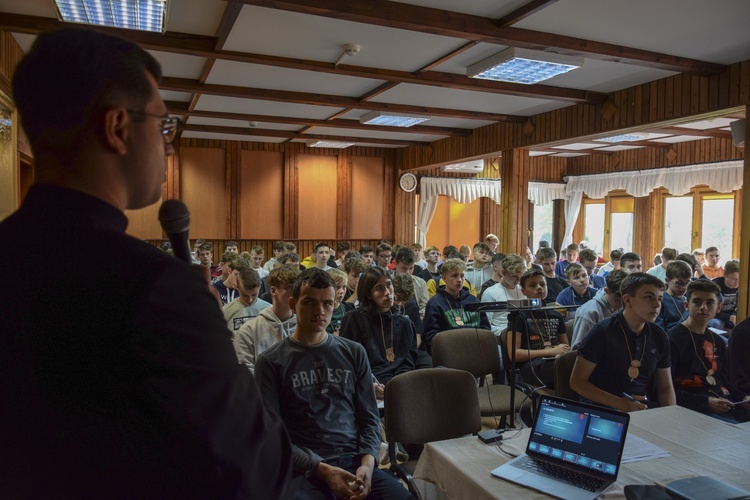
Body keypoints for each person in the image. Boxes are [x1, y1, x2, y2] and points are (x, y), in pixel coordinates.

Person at [0, 28, 290, 497]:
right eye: (162, 125)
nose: (169, 145)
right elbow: (255, 469)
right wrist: (206, 321)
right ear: (117, 128)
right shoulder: (158, 287)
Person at [255, 269, 413, 500]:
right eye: (309, 302)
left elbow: (369, 419)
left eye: (327, 303)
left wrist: (368, 464)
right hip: (303, 470)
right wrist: (323, 470)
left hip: (355, 460)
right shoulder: (271, 362)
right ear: (293, 303)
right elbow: (272, 438)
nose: (320, 311)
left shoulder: (353, 352)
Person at [571, 273, 676, 412]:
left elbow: (665, 387)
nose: (656, 304)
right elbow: (577, 382)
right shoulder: (602, 332)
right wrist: (620, 404)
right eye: (649, 297)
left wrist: (670, 416)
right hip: (602, 407)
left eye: (660, 299)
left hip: (641, 408)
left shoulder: (659, 336)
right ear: (627, 300)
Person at [667, 280, 750, 423]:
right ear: (686, 305)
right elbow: (664, 388)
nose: (703, 307)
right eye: (697, 302)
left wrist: (742, 397)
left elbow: (723, 380)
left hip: (723, 403)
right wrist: (705, 402)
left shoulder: (718, 341)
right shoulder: (673, 338)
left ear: (719, 308)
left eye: (710, 303)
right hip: (692, 409)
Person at [340, 267, 418, 392]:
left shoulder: (405, 323)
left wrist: (397, 385)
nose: (387, 292)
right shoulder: (354, 319)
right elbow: (348, 363)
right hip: (365, 384)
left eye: (389, 285)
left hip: (399, 385)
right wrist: (370, 384)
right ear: (368, 294)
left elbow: (407, 363)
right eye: (379, 288)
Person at [506, 269, 570, 388]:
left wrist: (559, 353)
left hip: (555, 360)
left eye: (542, 284)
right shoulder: (519, 315)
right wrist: (550, 352)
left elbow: (565, 346)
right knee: (564, 370)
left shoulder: (556, 314)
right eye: (533, 285)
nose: (539, 288)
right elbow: (514, 354)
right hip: (531, 366)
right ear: (523, 291)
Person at [234, 264, 299, 374]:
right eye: (289, 287)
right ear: (273, 291)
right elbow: (245, 375)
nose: (296, 293)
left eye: (298, 288)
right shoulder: (249, 331)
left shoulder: (307, 327)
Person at [422, 258, 490, 354]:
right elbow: (431, 336)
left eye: (462, 276)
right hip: (449, 351)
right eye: (454, 276)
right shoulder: (435, 303)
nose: (459, 280)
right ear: (444, 278)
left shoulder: (473, 300)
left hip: (475, 349)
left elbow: (485, 329)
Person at [570, 269, 627, 349]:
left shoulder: (625, 307)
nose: (621, 305)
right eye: (617, 300)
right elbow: (578, 349)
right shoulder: (588, 312)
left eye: (625, 301)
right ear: (607, 291)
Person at [481, 254, 527, 336]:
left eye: (521, 277)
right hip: (501, 335)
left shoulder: (523, 291)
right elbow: (486, 326)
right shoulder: (490, 293)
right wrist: (507, 332)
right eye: (514, 276)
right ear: (503, 272)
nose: (518, 280)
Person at [223, 267, 272, 332]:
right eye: (245, 295)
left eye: (254, 294)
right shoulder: (225, 311)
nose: (250, 300)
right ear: (237, 287)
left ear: (260, 285)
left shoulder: (269, 310)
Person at [655, 260, 691, 333]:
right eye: (679, 283)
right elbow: (659, 330)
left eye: (687, 283)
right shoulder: (661, 301)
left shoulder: (688, 300)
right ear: (667, 280)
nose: (683, 287)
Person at [326, 268, 356, 335]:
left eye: (344, 287)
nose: (342, 291)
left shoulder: (349, 308)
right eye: (337, 287)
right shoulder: (320, 311)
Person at [711, 259, 739, 330]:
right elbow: (710, 310)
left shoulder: (743, 286)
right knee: (717, 324)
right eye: (734, 279)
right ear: (725, 275)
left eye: (739, 279)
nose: (737, 282)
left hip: (733, 316)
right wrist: (728, 317)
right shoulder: (715, 286)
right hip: (716, 316)